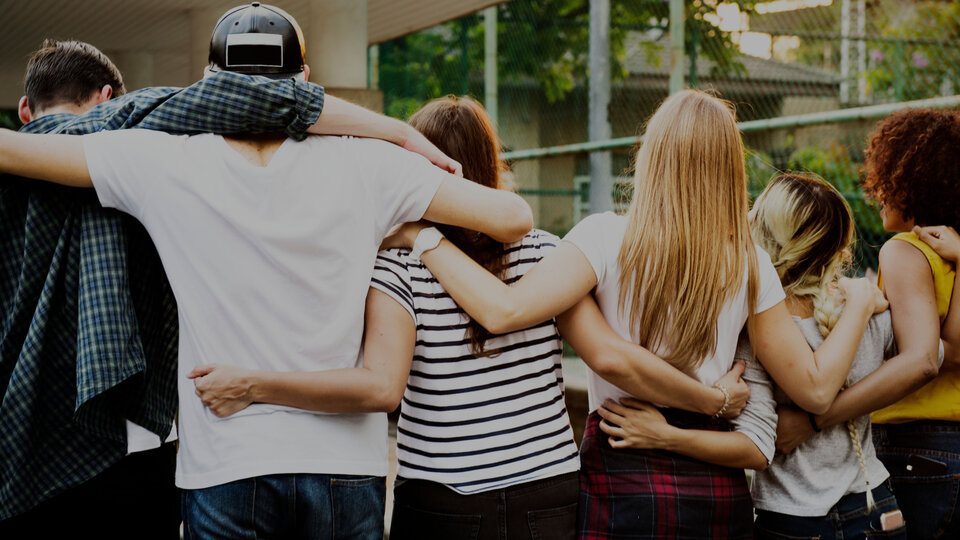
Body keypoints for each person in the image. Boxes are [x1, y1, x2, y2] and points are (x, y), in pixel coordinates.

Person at [0, 4, 532, 539]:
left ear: (211, 82)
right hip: (345, 468)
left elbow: (19, 152)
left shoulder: (158, 159)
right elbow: (512, 218)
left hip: (226, 463)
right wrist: (414, 229)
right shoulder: (373, 164)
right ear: (304, 81)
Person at [187, 95, 756, 540]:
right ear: (490, 163)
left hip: (445, 496)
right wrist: (711, 400)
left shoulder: (397, 265)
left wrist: (256, 384)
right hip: (548, 491)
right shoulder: (545, 251)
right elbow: (604, 351)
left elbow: (382, 386)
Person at [378, 89, 887, 538]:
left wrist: (421, 236)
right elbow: (815, 391)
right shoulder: (750, 263)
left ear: (651, 155)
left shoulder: (600, 238)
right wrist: (859, 305)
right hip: (715, 488)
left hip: (623, 469)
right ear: (732, 166)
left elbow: (513, 313)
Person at [603, 173, 921, 539]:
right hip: (876, 504)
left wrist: (667, 434)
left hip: (797, 517)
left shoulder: (756, 327)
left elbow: (759, 444)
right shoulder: (868, 309)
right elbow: (928, 357)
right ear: (837, 245)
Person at [774, 109, 960, 539]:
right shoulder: (953, 254)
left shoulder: (905, 251)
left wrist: (817, 421)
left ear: (910, 179)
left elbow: (922, 361)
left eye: (884, 180)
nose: (876, 192)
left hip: (917, 446)